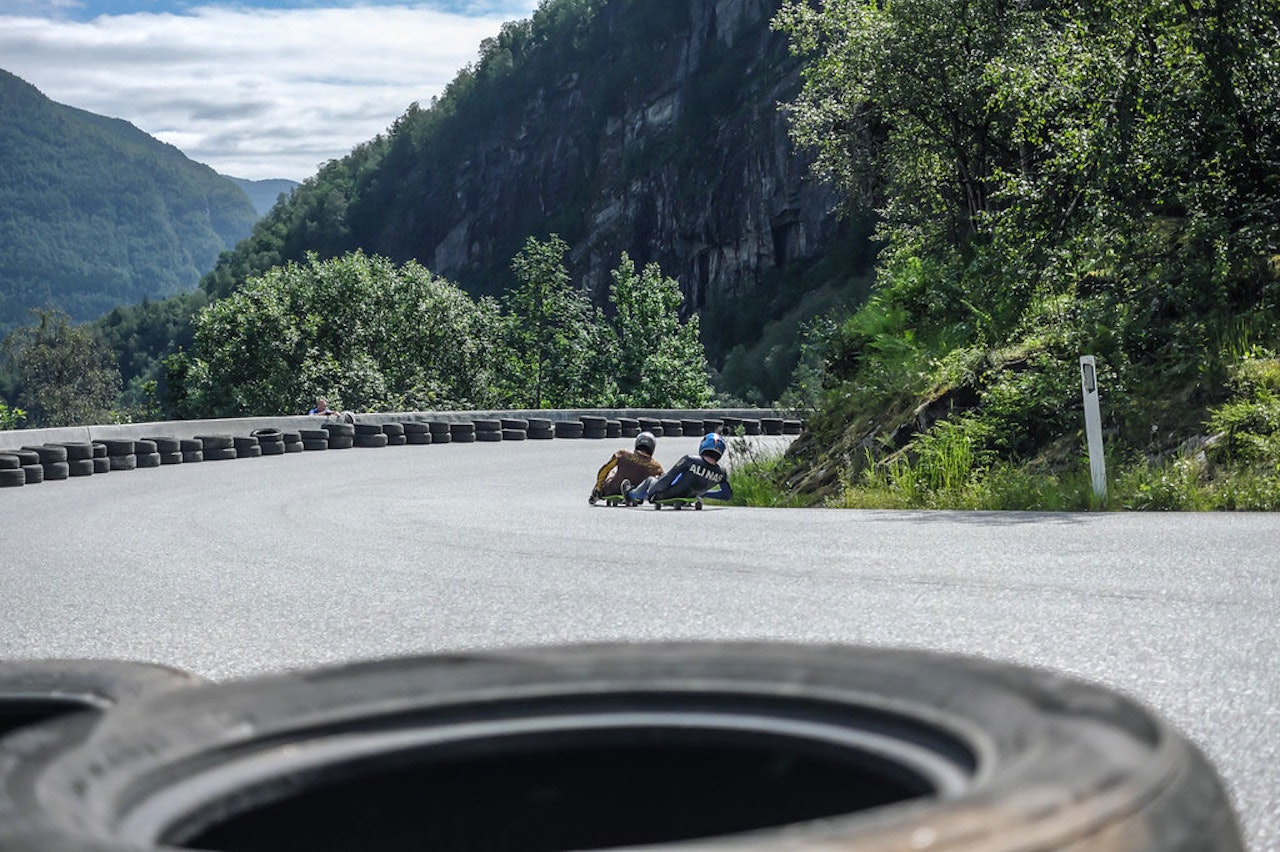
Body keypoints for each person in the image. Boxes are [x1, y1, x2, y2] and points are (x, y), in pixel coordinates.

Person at [624, 432, 732, 505]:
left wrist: (654, 492)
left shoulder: (690, 459)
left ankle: (631, 494)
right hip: (691, 497)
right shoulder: (721, 472)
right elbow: (726, 495)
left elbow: (670, 477)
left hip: (665, 495)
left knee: (651, 480)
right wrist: (702, 493)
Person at [590, 431, 664, 504]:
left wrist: (598, 486)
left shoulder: (622, 454)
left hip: (612, 490)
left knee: (611, 471)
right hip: (636, 492)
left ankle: (596, 492)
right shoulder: (655, 466)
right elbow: (662, 481)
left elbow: (605, 468)